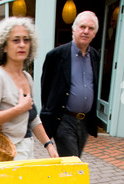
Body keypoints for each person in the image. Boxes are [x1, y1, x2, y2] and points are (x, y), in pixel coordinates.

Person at [0, 17, 59, 160]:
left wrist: (49, 145)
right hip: (3, 152)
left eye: (26, 40)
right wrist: (18, 109)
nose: (22, 44)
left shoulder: (27, 77)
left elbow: (33, 117)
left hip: (26, 149)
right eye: (15, 40)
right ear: (4, 46)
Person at [40, 11, 100, 158]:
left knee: (74, 159)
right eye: (82, 26)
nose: (86, 31)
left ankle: (59, 180)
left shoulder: (95, 56)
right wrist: (50, 115)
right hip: (64, 120)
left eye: (91, 28)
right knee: (72, 162)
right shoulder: (56, 56)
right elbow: (45, 89)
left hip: (84, 121)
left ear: (95, 33)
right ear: (74, 29)